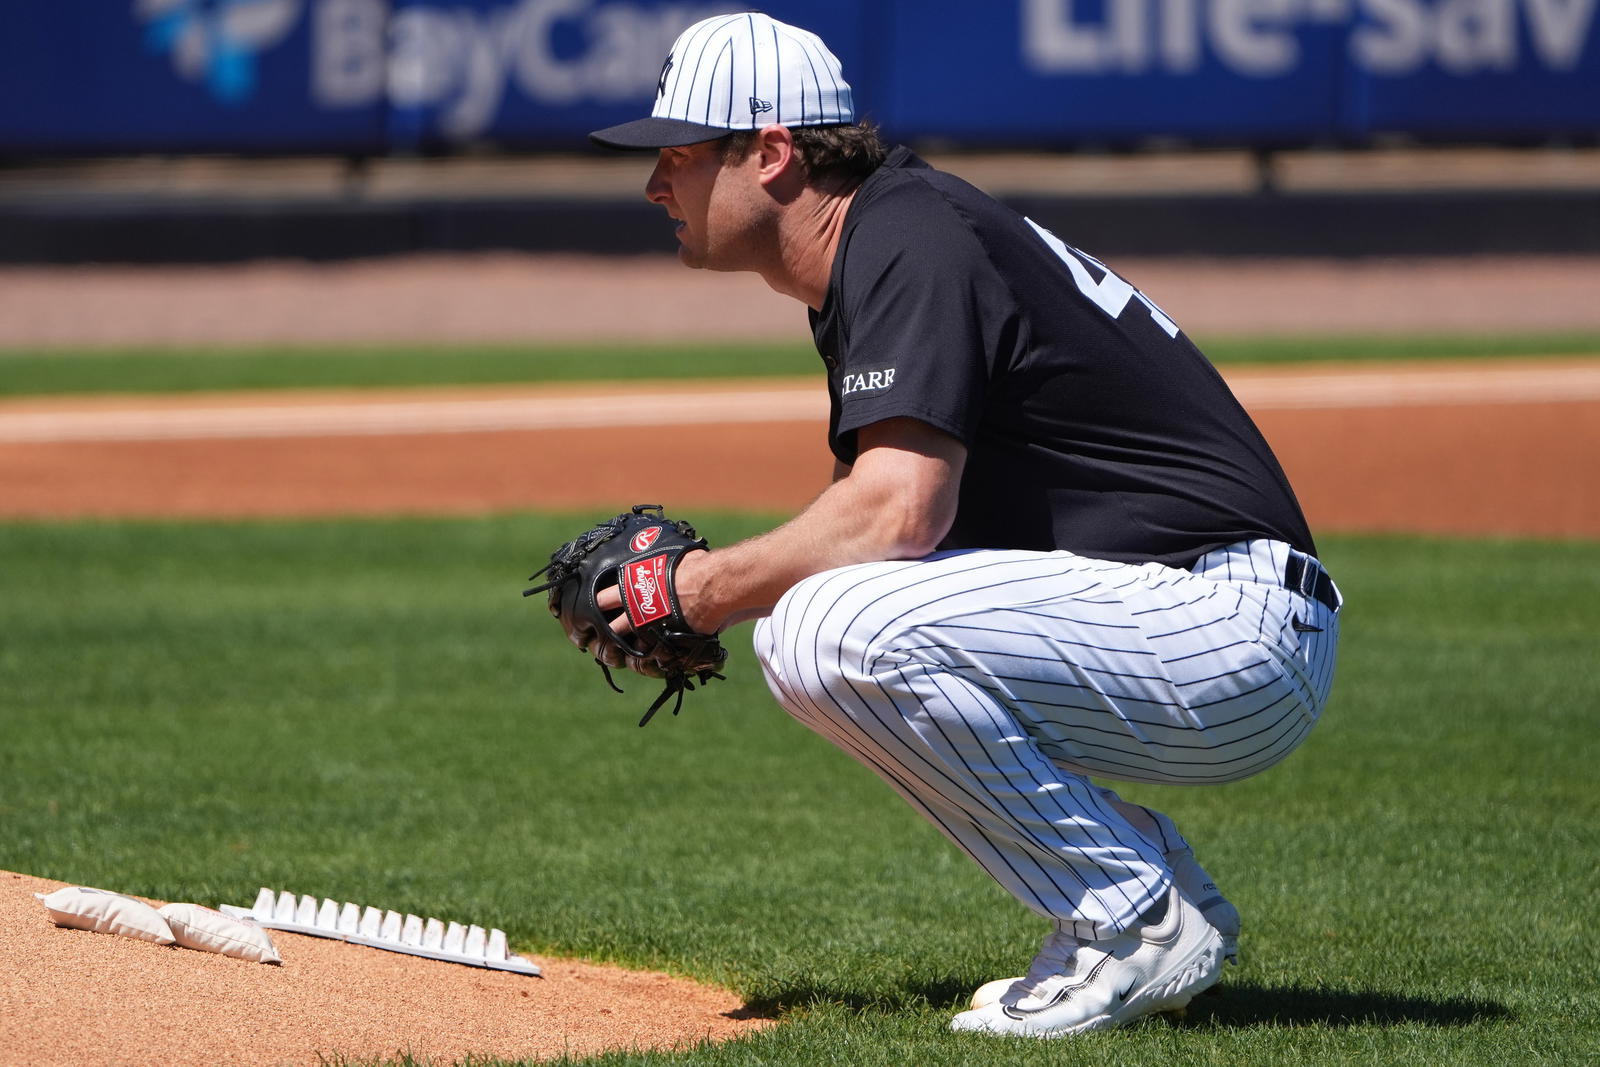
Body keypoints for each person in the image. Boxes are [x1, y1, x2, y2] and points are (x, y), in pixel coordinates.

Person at [588, 12, 1341, 1037]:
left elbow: (896, 512)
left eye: (675, 156)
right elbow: (900, 528)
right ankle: (1157, 895)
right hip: (1196, 616)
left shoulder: (906, 235)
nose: (652, 185)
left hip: (1226, 625)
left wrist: (694, 591)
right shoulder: (887, 240)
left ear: (769, 154)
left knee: (824, 627)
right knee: (824, 622)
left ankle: (1130, 915)